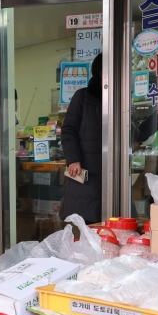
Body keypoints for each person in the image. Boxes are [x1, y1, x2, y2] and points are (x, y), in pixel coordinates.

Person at [61, 53, 102, 223]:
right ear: (100, 72)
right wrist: (73, 159)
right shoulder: (82, 97)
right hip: (84, 175)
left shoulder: (120, 98)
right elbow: (68, 129)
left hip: (112, 174)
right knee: (83, 227)